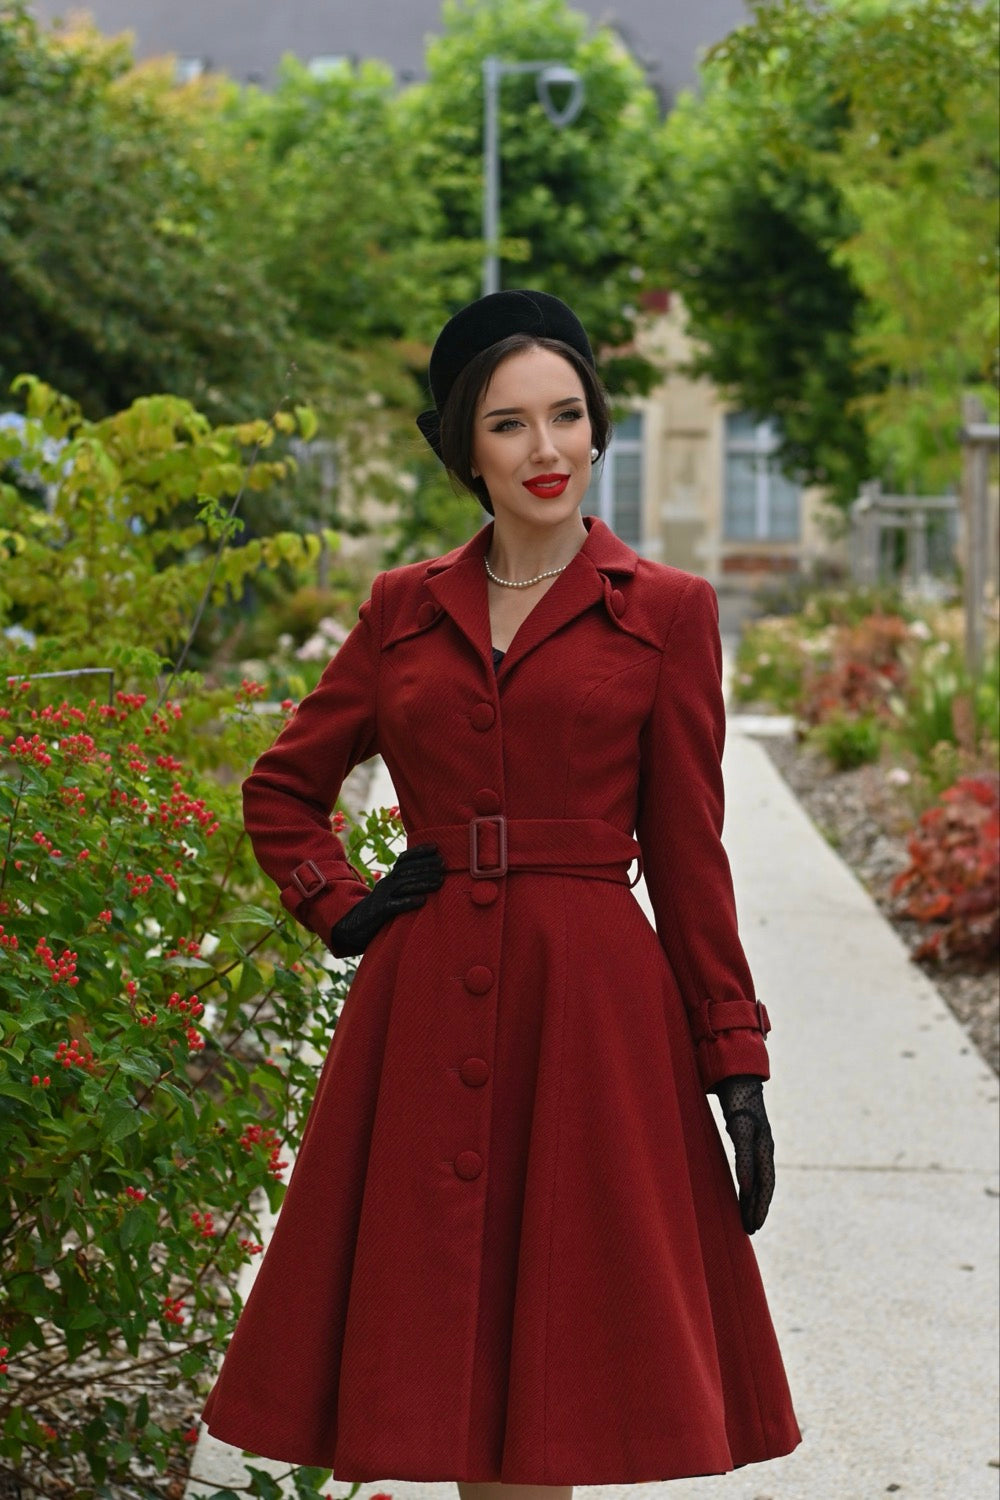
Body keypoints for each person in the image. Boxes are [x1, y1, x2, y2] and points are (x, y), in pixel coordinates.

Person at [201, 289, 801, 1496]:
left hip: (589, 1015)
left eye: (568, 417)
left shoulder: (669, 613)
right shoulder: (401, 609)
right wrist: (345, 903)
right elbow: (281, 791)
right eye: (511, 425)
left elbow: (691, 856)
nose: (547, 451)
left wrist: (732, 1057)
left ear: (598, 428)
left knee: (557, 1369)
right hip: (420, 1011)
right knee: (447, 1363)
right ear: (463, 448)